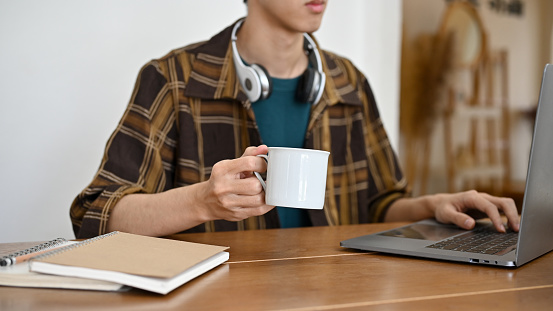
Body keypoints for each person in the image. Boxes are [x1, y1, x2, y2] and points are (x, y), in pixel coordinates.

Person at [70, 0, 520, 239]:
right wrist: (202, 202)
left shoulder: (349, 82)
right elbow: (96, 215)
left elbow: (380, 206)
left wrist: (433, 207)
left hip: (334, 293)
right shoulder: (172, 79)